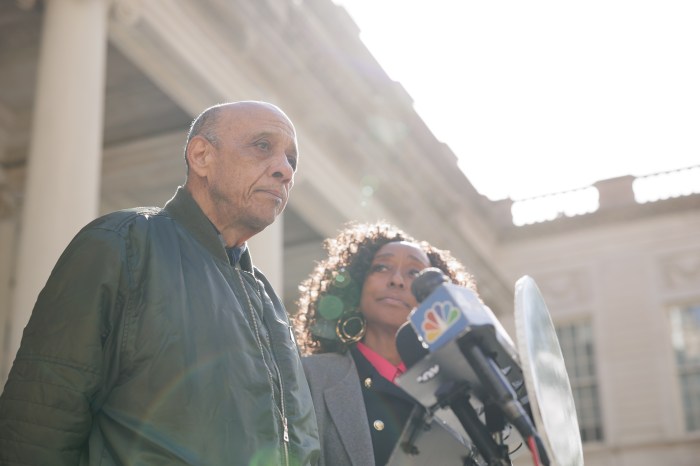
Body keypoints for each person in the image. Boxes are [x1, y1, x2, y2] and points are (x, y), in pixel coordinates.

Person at [0, 101, 320, 465]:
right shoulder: (120, 244)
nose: (284, 170)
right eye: (263, 146)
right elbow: (40, 417)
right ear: (201, 156)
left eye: (291, 160)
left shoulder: (272, 307)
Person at [292, 221, 477, 466]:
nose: (397, 280)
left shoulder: (460, 395)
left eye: (415, 273)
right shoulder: (309, 376)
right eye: (381, 267)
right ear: (355, 286)